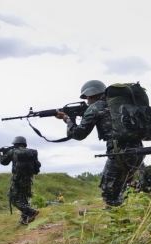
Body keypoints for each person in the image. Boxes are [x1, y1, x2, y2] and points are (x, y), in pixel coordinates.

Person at [55, 80, 144, 208]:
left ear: (92, 94)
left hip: (119, 153)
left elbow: (78, 134)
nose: (87, 102)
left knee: (109, 192)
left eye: (88, 98)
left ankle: (122, 225)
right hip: (139, 151)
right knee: (118, 189)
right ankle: (122, 220)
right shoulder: (120, 104)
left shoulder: (96, 107)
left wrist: (67, 119)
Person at [0, 136, 41, 225]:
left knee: (13, 198)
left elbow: (4, 162)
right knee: (24, 198)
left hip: (17, 179)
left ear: (15, 143)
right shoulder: (31, 152)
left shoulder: (12, 151)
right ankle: (24, 220)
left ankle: (30, 212)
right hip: (29, 179)